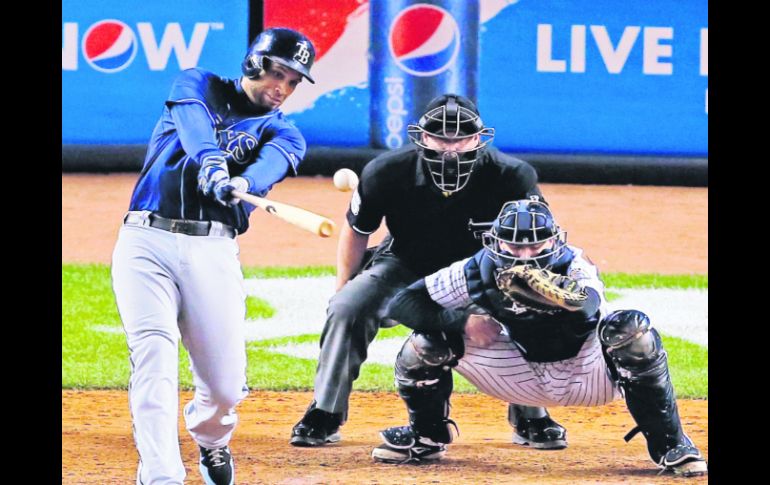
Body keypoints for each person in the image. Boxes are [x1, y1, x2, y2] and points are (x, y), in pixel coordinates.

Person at [291, 94, 566, 451]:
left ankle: (531, 415)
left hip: (479, 272)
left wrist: (518, 292)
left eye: (461, 137)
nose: (451, 148)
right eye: (441, 137)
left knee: (523, 308)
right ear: (421, 137)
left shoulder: (512, 176)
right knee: (346, 307)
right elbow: (357, 230)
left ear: (479, 138)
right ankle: (325, 411)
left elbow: (536, 241)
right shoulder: (386, 171)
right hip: (405, 263)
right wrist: (344, 286)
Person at [370, 199, 708, 477]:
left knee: (632, 330)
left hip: (587, 373)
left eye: (536, 244)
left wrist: (557, 298)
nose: (525, 255)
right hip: (514, 372)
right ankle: (426, 436)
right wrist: (461, 322)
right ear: (495, 241)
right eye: (515, 245)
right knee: (425, 343)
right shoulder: (476, 268)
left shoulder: (574, 264)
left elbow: (590, 308)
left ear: (554, 240)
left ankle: (671, 444)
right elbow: (403, 303)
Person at [111, 27, 316, 485]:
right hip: (146, 241)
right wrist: (212, 162)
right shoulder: (197, 83)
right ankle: (160, 474)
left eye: (293, 81)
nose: (282, 88)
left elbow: (269, 166)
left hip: (213, 250)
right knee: (153, 356)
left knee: (224, 388)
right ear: (254, 64)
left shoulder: (285, 132)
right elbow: (196, 129)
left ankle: (211, 438)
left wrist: (246, 184)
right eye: (277, 74)